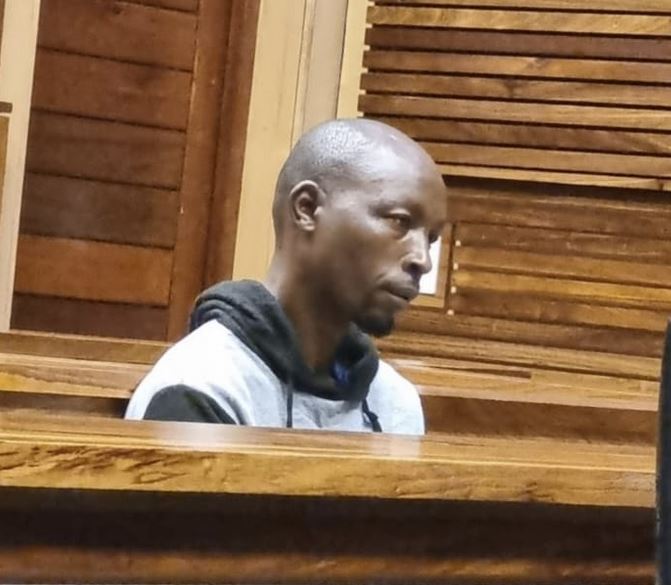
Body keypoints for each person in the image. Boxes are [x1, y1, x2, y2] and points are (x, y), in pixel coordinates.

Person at [125, 119, 448, 434]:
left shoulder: (396, 404)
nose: (423, 260)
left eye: (431, 238)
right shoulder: (200, 389)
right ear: (307, 208)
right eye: (400, 221)